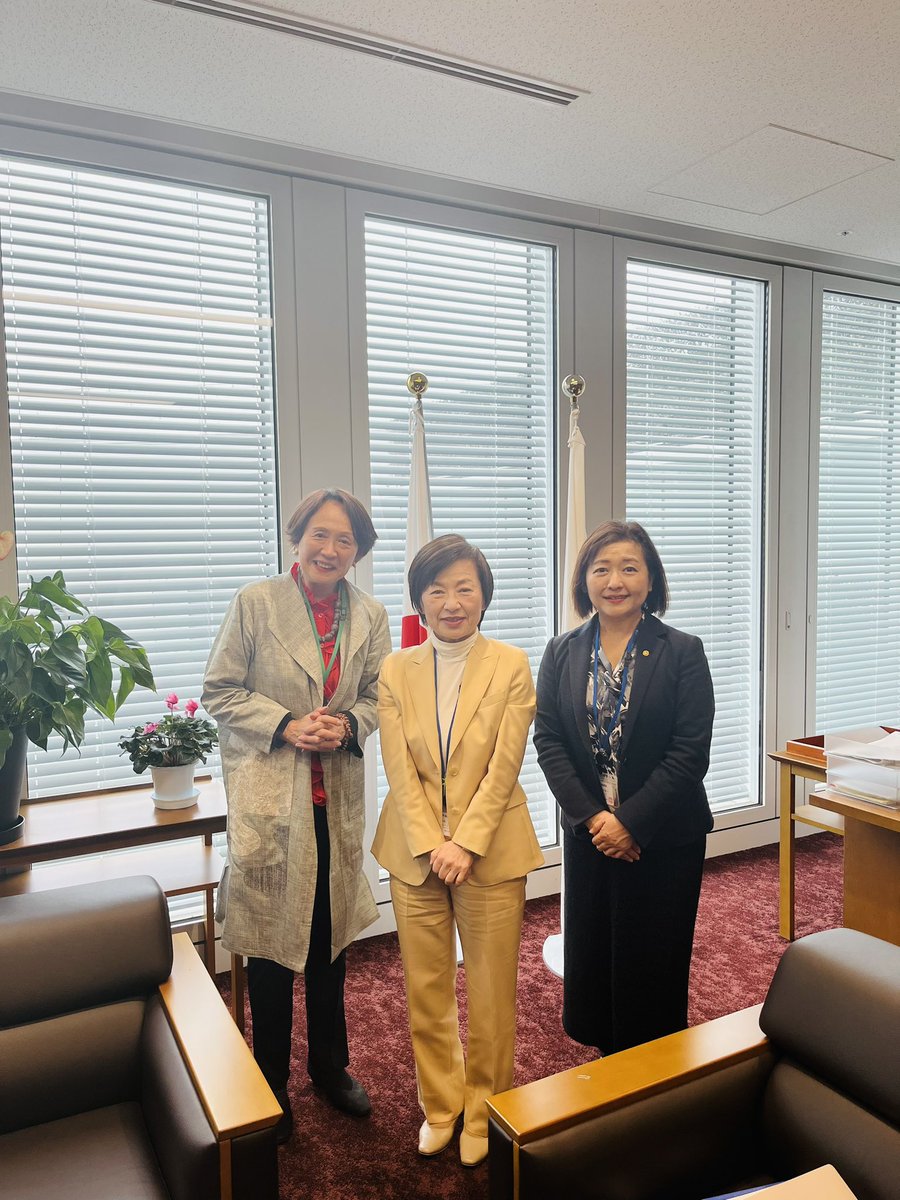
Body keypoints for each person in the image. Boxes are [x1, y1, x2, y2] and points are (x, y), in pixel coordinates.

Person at [202, 488, 391, 1143]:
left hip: (333, 801)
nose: (330, 549)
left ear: (359, 551)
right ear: (297, 537)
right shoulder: (255, 603)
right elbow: (219, 691)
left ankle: (329, 1068)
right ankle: (271, 1081)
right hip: (270, 802)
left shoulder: (371, 615)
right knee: (271, 951)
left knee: (329, 945)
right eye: (320, 535)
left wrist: (349, 724)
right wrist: (286, 724)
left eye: (345, 540)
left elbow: (380, 696)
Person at [372, 534, 543, 1168]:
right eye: (438, 589)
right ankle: (441, 1107)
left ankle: (484, 1109)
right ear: (419, 599)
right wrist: (432, 843)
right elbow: (398, 769)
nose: (452, 602)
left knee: (493, 991)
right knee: (427, 989)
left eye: (465, 588)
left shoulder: (511, 664)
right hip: (414, 852)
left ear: (484, 596)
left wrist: (465, 842)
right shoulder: (396, 669)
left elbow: (505, 765)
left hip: (490, 850)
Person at [534, 520, 714, 1055]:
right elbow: (548, 741)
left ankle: (653, 1067)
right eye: (602, 569)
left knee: (652, 958)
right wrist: (597, 820)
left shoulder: (682, 650)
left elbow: (689, 752)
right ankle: (606, 1063)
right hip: (591, 832)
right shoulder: (561, 651)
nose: (615, 581)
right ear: (584, 580)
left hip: (662, 835)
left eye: (630, 568)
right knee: (594, 953)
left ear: (651, 579)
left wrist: (630, 822)